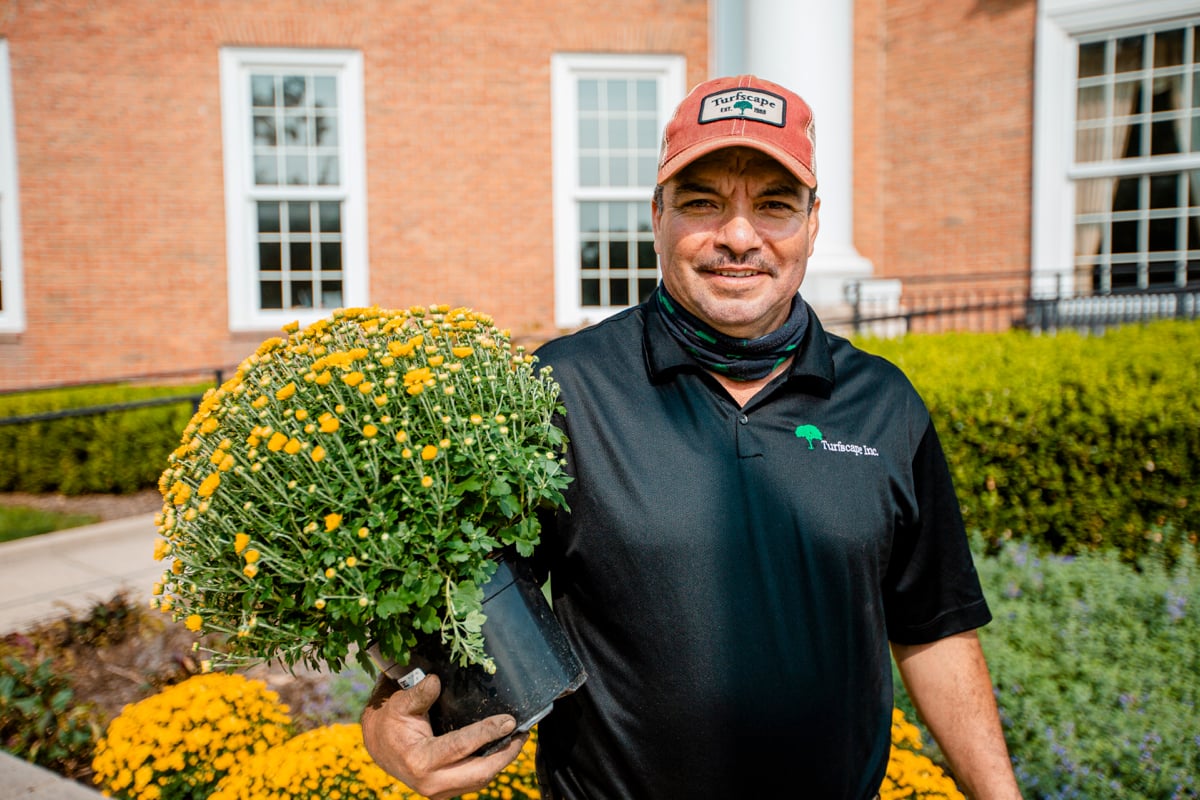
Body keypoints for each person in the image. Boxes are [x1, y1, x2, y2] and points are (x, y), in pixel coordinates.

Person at [362, 74, 1023, 800]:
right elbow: (452, 591)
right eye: (703, 202)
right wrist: (386, 724)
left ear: (812, 222)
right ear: (657, 215)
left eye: (773, 205)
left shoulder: (884, 406)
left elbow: (933, 626)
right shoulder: (557, 391)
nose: (738, 236)